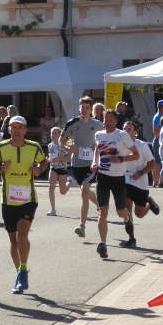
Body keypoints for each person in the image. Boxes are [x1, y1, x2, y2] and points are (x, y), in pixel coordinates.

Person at [0, 116, 47, 294]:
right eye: (13, 127)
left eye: (20, 127)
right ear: (9, 130)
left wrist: (39, 170)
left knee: (23, 232)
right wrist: (1, 169)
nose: (16, 130)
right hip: (8, 200)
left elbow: (44, 162)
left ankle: (23, 270)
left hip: (28, 199)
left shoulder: (34, 147)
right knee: (13, 241)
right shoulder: (1, 147)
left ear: (25, 130)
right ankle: (20, 273)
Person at [92, 109, 139, 259]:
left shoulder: (122, 135)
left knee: (120, 211)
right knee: (102, 212)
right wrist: (94, 162)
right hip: (103, 178)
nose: (107, 122)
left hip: (118, 178)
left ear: (116, 121)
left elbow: (136, 154)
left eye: (110, 119)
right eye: (105, 119)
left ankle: (127, 218)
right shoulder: (99, 135)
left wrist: (121, 159)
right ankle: (103, 244)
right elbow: (97, 150)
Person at [61, 96, 104, 238]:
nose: (85, 110)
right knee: (85, 191)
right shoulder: (72, 123)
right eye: (82, 107)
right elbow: (62, 141)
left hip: (92, 163)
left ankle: (82, 226)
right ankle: (99, 204)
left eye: (87, 108)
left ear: (91, 110)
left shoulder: (98, 124)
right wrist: (69, 147)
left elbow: (105, 140)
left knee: (84, 191)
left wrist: (97, 147)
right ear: (79, 108)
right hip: (77, 164)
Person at [121, 120, 160, 247]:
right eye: (124, 129)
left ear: (135, 133)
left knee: (139, 214)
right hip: (125, 180)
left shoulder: (142, 145)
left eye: (129, 129)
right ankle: (131, 238)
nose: (126, 131)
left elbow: (152, 163)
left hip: (140, 183)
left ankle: (149, 203)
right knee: (126, 207)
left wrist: (140, 173)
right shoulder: (119, 145)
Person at [46, 126, 71, 216]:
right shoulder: (50, 145)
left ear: (60, 135)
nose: (53, 135)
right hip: (53, 168)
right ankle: (53, 209)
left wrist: (60, 159)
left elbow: (69, 157)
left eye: (56, 133)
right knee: (51, 186)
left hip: (62, 169)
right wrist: (48, 159)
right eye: (52, 133)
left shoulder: (64, 146)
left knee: (62, 192)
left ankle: (70, 182)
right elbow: (50, 157)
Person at [151, 100, 163, 187]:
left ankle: (158, 182)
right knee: (158, 163)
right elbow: (155, 131)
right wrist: (162, 141)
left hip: (159, 141)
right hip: (158, 142)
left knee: (159, 162)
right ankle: (156, 182)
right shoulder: (158, 117)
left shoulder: (161, 116)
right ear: (161, 107)